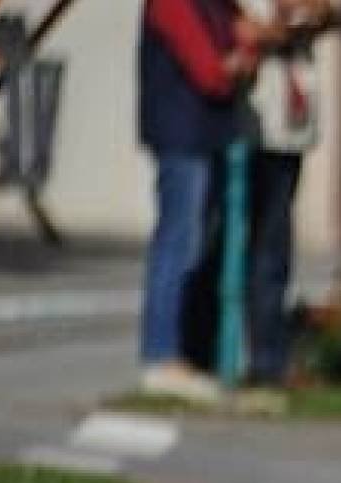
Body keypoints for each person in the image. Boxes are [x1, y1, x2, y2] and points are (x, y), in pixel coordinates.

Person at [137, 0, 256, 405]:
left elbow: (243, 39)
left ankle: (182, 354)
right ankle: (160, 355)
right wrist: (233, 66)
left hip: (202, 134)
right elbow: (209, 71)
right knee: (178, 242)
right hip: (181, 133)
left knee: (195, 241)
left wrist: (244, 53)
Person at [236, 0, 341, 393]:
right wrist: (283, 25)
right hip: (251, 117)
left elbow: (335, 12)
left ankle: (269, 357)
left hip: (289, 125)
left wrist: (315, 16)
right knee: (253, 244)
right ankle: (257, 358)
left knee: (275, 246)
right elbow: (243, 27)